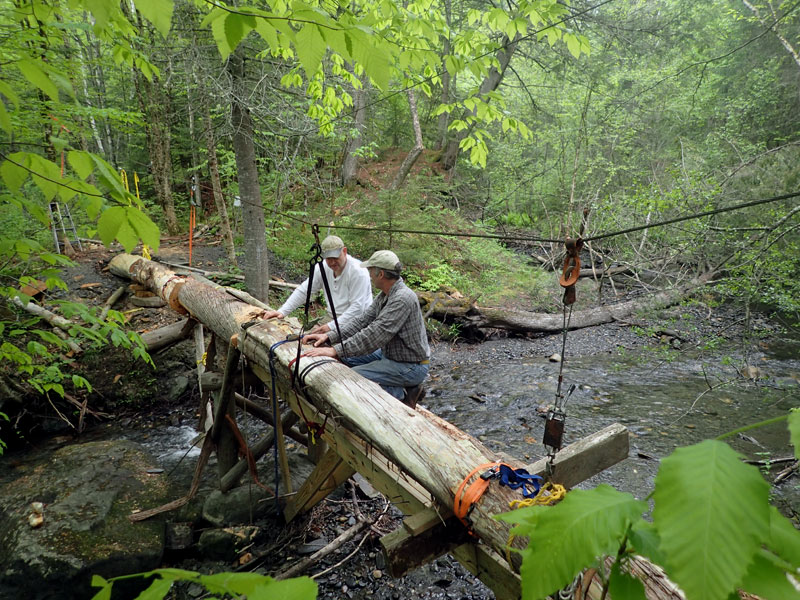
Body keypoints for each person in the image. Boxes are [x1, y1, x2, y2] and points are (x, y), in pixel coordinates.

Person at [303, 250, 430, 408]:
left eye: (371, 270)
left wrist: (335, 351)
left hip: (410, 366)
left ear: (380, 274)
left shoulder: (402, 299)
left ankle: (399, 394)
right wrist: (330, 337)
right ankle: (400, 387)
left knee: (351, 377)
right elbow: (362, 321)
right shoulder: (386, 294)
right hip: (390, 355)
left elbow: (374, 335)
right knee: (346, 358)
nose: (369, 274)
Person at [261, 235, 373, 335]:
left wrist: (330, 327)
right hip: (332, 317)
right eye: (329, 258)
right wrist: (282, 311)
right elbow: (305, 290)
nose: (332, 262)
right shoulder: (323, 267)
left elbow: (357, 309)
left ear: (344, 251)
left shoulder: (358, 272)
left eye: (336, 258)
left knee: (322, 347)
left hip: (358, 321)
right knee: (304, 340)